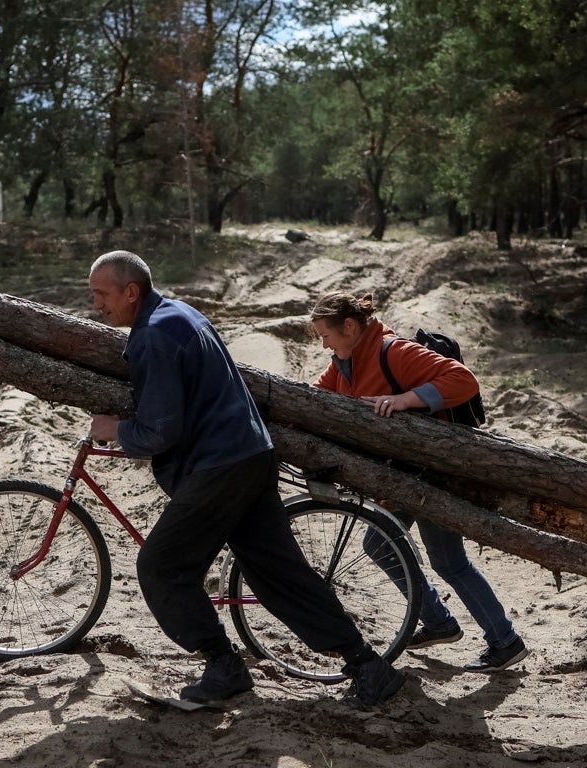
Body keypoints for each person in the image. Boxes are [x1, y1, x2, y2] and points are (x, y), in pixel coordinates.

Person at [87, 251, 405, 707]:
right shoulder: (179, 313)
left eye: (101, 294)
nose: (96, 303)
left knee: (161, 566)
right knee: (278, 571)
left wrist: (115, 430)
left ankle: (223, 664)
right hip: (250, 453)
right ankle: (367, 666)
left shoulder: (153, 335)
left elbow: (161, 430)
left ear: (130, 291)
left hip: (219, 464)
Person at [308, 290, 529, 674]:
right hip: (404, 477)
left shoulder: (392, 351)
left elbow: (464, 381)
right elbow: (316, 396)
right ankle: (444, 624)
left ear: (349, 326)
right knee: (401, 549)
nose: (323, 343)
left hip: (431, 473)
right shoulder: (345, 363)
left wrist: (408, 398)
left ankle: (501, 641)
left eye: (325, 334)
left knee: (438, 559)